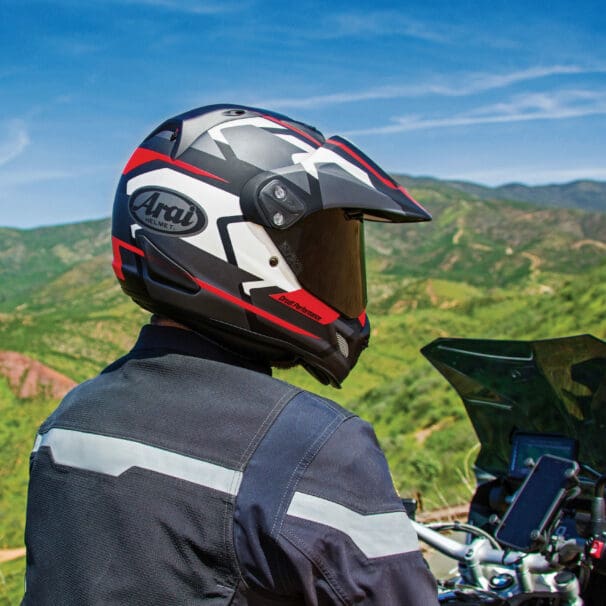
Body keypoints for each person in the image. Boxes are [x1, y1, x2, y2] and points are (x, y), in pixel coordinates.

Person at [23, 104, 439, 604]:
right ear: (231, 243)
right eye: (312, 250)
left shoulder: (68, 420)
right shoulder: (315, 449)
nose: (332, 274)